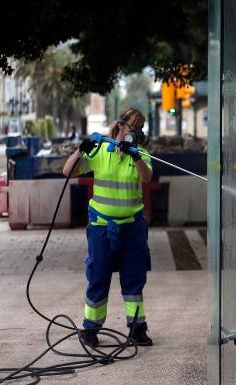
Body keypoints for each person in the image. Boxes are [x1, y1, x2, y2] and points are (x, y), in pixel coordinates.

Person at [62, 108, 154, 347]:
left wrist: (134, 156)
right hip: (102, 227)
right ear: (120, 126)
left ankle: (137, 330)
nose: (136, 132)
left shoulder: (141, 153)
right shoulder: (101, 151)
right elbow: (67, 171)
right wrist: (80, 150)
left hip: (132, 227)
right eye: (133, 126)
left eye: (140, 128)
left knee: (134, 279)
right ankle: (90, 330)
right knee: (98, 276)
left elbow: (146, 178)